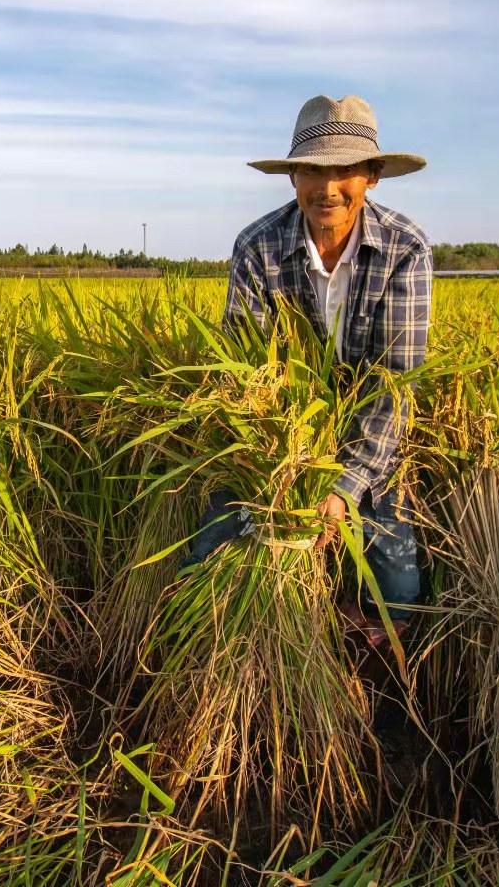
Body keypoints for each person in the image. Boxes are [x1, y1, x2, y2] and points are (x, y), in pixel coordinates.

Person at [187, 94, 431, 650]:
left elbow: (393, 386)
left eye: (345, 170)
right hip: (278, 440)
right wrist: (277, 470)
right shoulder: (259, 246)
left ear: (372, 176)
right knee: (209, 557)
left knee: (397, 594)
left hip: (368, 432)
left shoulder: (405, 248)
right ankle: (214, 654)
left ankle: (358, 660)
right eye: (314, 171)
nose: (329, 187)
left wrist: (344, 486)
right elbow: (245, 369)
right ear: (293, 177)